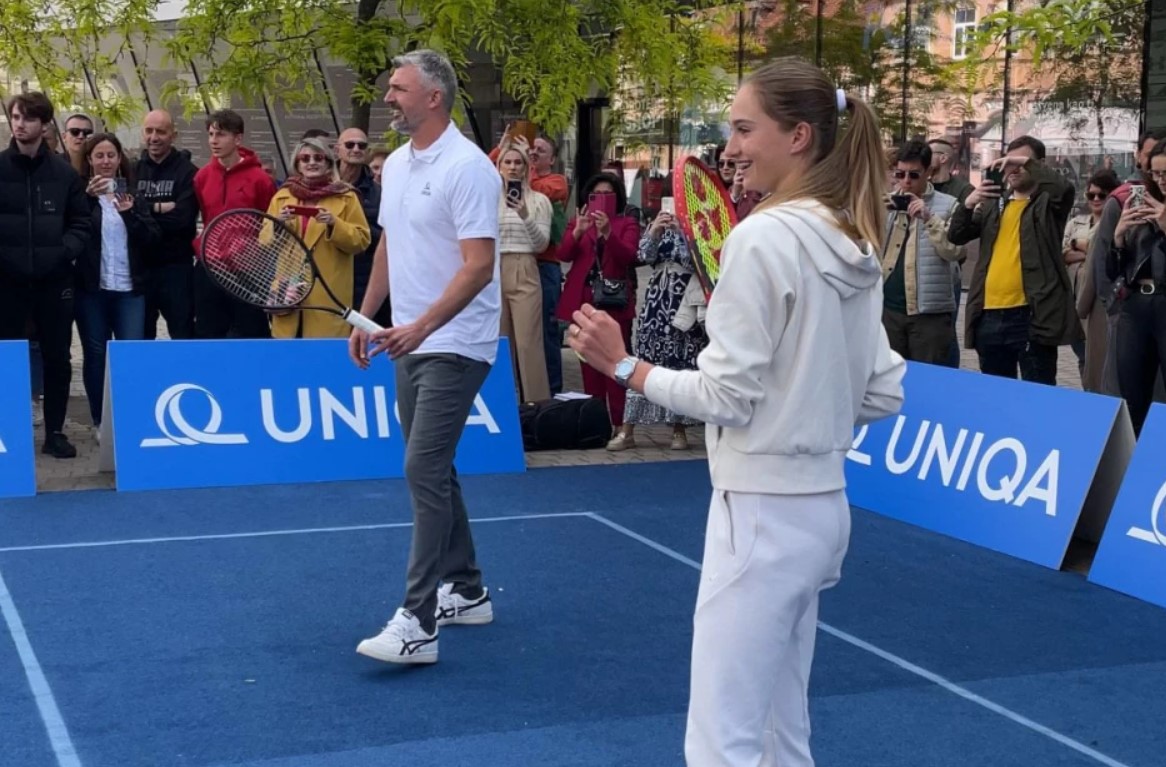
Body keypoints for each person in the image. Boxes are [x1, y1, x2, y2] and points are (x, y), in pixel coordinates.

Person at [566, 58, 906, 766]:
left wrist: (623, 364)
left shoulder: (763, 238)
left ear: (801, 136)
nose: (732, 146)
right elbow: (882, 391)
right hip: (822, 509)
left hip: (759, 510)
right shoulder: (855, 242)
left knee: (722, 739)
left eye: (746, 127)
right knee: (784, 729)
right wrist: (806, 405)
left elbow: (726, 396)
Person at [348, 50, 502, 665]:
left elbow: (479, 265)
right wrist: (369, 316)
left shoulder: (469, 168)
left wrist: (422, 327)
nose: (389, 97)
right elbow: (390, 243)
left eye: (399, 88)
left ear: (434, 96)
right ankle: (467, 591)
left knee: (421, 469)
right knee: (434, 470)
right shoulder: (400, 167)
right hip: (409, 337)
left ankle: (418, 620)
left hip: (456, 343)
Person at [0, 92, 91, 459]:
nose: (19, 124)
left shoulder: (64, 174)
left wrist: (61, 253)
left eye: (27, 118)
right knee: (7, 357)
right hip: (6, 283)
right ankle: (8, 432)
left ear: (44, 124)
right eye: (15, 117)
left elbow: (81, 224)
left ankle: (55, 432)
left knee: (57, 358)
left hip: (54, 283)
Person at [76, 133, 160, 431]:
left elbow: (151, 240)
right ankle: (101, 421)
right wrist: (86, 199)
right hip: (92, 290)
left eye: (111, 155)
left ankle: (130, 417)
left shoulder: (131, 194)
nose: (106, 161)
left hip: (130, 290)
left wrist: (129, 216)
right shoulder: (79, 194)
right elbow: (74, 234)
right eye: (99, 155)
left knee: (130, 354)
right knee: (96, 355)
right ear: (89, 160)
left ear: (119, 158)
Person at [556, 172, 641, 446]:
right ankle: (596, 424)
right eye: (596, 195)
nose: (601, 201)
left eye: (608, 195)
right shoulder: (578, 223)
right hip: (583, 302)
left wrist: (608, 233)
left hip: (613, 303)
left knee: (616, 364)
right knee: (588, 365)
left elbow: (628, 256)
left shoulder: (626, 223)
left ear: (617, 198)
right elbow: (563, 254)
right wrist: (578, 231)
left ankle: (621, 425)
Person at [267, 137, 370, 338]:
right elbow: (264, 240)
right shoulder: (282, 196)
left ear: (328, 163)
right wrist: (277, 224)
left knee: (323, 356)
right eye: (305, 158)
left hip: (328, 291)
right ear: (297, 164)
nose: (311, 162)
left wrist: (334, 224)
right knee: (287, 356)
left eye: (318, 157)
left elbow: (361, 240)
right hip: (288, 289)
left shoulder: (346, 196)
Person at [192, 109, 278, 339]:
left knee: (253, 336)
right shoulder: (202, 176)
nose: (213, 141)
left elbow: (267, 225)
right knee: (207, 337)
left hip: (247, 271)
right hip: (210, 268)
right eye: (210, 134)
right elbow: (206, 214)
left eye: (220, 135)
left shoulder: (261, 180)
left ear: (237, 138)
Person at [495, 140, 552, 402]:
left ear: (527, 167)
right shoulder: (487, 198)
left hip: (524, 266)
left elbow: (541, 243)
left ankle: (536, 405)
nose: (513, 167)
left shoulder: (539, 201)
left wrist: (525, 214)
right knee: (498, 343)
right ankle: (502, 405)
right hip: (493, 269)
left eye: (518, 162)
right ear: (499, 166)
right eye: (507, 162)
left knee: (528, 343)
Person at [135, 109, 199, 340]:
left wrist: (142, 210)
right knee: (141, 338)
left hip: (176, 269)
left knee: (183, 335)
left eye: (160, 131)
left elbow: (182, 219)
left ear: (174, 135)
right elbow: (127, 216)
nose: (154, 137)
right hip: (140, 269)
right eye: (149, 131)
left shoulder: (188, 172)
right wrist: (159, 208)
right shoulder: (132, 170)